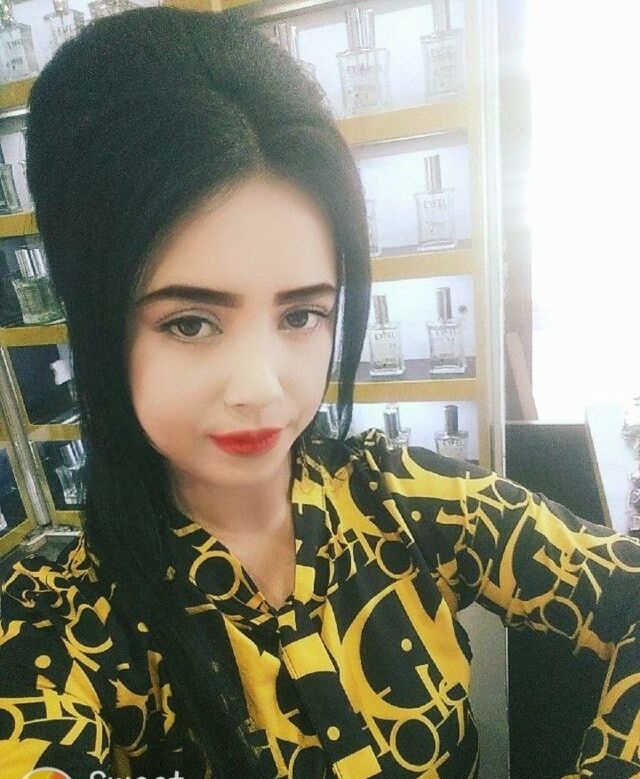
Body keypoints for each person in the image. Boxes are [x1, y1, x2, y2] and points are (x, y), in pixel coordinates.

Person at [0, 6, 638, 779]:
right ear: (95, 320)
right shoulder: (54, 633)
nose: (261, 387)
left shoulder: (404, 500)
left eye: (300, 314)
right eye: (191, 323)